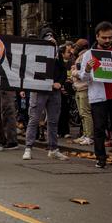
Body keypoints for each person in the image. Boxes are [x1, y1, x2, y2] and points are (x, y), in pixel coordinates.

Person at [78, 21, 112, 169]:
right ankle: (100, 158)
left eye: (110, 37)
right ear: (97, 37)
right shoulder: (89, 54)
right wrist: (88, 69)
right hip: (99, 96)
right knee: (99, 129)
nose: (108, 40)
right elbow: (83, 78)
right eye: (104, 37)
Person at [23, 27, 69, 161]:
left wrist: (59, 82)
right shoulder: (35, 54)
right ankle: (28, 147)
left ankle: (53, 148)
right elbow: (31, 72)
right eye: (46, 37)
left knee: (53, 121)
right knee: (34, 119)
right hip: (39, 90)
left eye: (52, 37)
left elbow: (63, 71)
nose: (50, 39)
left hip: (54, 92)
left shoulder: (57, 54)